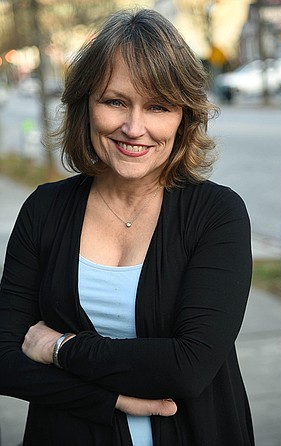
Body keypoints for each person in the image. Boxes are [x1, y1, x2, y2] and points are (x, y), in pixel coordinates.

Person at [0, 9, 254, 445]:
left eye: (158, 106)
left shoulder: (217, 214)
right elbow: (4, 359)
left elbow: (188, 366)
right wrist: (112, 399)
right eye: (115, 101)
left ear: (184, 117)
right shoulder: (44, 209)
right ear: (86, 104)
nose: (134, 128)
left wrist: (59, 348)